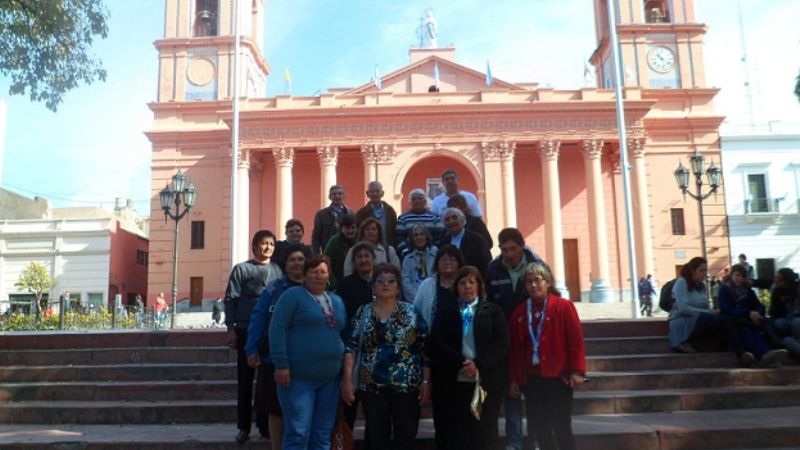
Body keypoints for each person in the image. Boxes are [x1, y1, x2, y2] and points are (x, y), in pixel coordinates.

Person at [341, 263, 430, 450]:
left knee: (405, 437)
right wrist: (348, 380)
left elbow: (425, 350)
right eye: (380, 281)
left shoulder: (411, 312)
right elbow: (351, 348)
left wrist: (426, 382)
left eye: (391, 281)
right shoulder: (362, 312)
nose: (385, 284)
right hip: (371, 386)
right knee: (376, 438)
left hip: (406, 386)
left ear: (398, 287)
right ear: (373, 287)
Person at [268, 255, 346, 450]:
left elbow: (342, 333)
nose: (318, 276)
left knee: (322, 433)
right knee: (298, 433)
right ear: (304, 276)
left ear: (329, 276)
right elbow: (276, 329)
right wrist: (281, 365)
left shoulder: (336, 301)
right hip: (298, 379)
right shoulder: (292, 296)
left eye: (322, 271)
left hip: (330, 379)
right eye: (313, 272)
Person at [428, 266, 509, 450]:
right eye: (462, 283)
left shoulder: (493, 311)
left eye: (472, 282)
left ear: (479, 286)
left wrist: (478, 364)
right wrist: (460, 362)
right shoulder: (446, 311)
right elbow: (435, 343)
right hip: (454, 382)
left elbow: (501, 343)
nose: (467, 287)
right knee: (456, 433)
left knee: (485, 433)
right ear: (456, 287)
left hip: (485, 382)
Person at [508, 261, 586, 450]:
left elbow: (575, 342)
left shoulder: (563, 307)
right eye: (529, 282)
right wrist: (514, 380)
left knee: (561, 427)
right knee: (540, 427)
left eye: (538, 280)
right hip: (532, 380)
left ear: (547, 282)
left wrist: (577, 371)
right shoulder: (519, 313)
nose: (533, 285)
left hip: (558, 377)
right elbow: (515, 350)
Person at [246, 244, 309, 450]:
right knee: (276, 409)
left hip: (305, 359)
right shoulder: (273, 289)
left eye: (300, 259)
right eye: (292, 260)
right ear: (285, 264)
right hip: (275, 359)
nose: (297, 264)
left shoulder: (315, 287)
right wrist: (252, 347)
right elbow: (259, 317)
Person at [224, 230, 284, 444]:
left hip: (269, 333)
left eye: (271, 244)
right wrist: (230, 328)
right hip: (244, 330)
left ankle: (264, 425)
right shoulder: (241, 269)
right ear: (255, 246)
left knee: (266, 381)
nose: (267, 247)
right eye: (263, 243)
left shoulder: (278, 270)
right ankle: (243, 426)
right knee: (245, 381)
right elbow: (230, 299)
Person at [485, 227, 543, 450]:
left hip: (533, 341)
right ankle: (515, 443)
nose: (509, 254)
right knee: (511, 394)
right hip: (506, 343)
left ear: (522, 246)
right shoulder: (492, 270)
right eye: (504, 249)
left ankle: (538, 441)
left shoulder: (537, 267)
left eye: (513, 248)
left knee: (536, 397)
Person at [668, 257, 753, 366]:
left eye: (705, 271)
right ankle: (741, 354)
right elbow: (683, 308)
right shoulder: (681, 282)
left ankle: (733, 350)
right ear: (693, 271)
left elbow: (705, 306)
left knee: (727, 317)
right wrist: (707, 312)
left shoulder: (701, 286)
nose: (705, 274)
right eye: (701, 270)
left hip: (700, 319)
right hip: (684, 321)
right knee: (723, 320)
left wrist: (712, 311)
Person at [335, 241, 377, 431]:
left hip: (378, 349)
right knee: (349, 404)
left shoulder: (383, 281)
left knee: (375, 410)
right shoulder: (346, 285)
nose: (363, 260)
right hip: (352, 347)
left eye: (367, 256)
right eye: (359, 257)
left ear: (373, 259)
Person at [718, 264, 788, 367]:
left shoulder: (747, 290)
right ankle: (764, 355)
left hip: (751, 319)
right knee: (746, 330)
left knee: (766, 324)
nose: (739, 279)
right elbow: (727, 308)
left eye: (742, 276)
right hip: (735, 321)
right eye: (737, 275)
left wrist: (758, 313)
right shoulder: (725, 289)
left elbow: (759, 305)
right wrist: (748, 313)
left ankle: (776, 351)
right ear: (731, 275)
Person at [413, 245, 465, 329]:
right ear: (437, 263)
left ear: (459, 263)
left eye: (452, 259)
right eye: (444, 259)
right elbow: (415, 312)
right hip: (432, 337)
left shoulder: (465, 285)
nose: (447, 262)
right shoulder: (426, 285)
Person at [439, 207, 491, 278]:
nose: (451, 221)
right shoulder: (443, 243)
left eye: (454, 217)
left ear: (463, 220)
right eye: (447, 219)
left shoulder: (477, 240)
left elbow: (486, 264)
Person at [395, 188, 445, 259]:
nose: (417, 201)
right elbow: (399, 238)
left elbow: (439, 237)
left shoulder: (434, 217)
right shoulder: (403, 218)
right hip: (409, 256)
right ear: (410, 203)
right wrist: (406, 252)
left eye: (419, 198)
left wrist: (433, 251)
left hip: (432, 256)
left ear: (425, 202)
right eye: (414, 199)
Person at [765, 268, 800, 356]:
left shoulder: (797, 288)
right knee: (786, 339)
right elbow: (773, 312)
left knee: (796, 323)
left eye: (778, 279)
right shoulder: (776, 291)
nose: (775, 281)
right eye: (775, 278)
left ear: (786, 281)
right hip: (784, 319)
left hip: (796, 321)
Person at [312, 185, 354, 254]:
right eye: (334, 194)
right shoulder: (321, 214)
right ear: (330, 197)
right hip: (328, 251)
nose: (337, 196)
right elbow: (316, 236)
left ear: (344, 196)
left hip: (347, 251)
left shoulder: (351, 214)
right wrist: (316, 253)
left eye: (339, 194)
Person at [401, 225, 437, 302]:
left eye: (422, 234)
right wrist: (418, 298)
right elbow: (405, 281)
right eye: (416, 235)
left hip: (433, 297)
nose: (419, 237)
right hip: (414, 299)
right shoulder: (407, 258)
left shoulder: (436, 254)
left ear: (426, 236)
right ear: (412, 239)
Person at [355, 181, 398, 247]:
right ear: (367, 194)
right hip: (368, 249)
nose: (375, 194)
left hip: (387, 248)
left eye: (377, 191)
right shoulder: (361, 213)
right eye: (372, 192)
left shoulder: (390, 211)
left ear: (382, 193)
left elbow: (394, 230)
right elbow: (358, 232)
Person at [323, 213, 358, 289]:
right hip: (338, 282)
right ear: (341, 228)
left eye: (353, 228)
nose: (350, 231)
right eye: (347, 228)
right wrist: (333, 283)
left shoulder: (359, 240)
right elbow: (326, 262)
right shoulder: (334, 241)